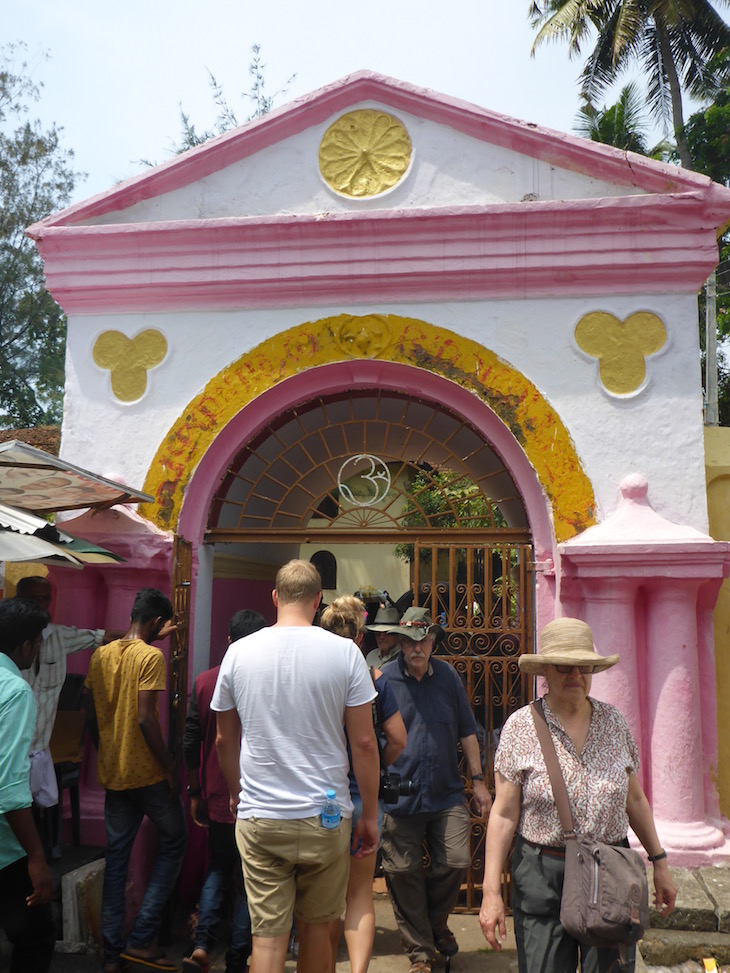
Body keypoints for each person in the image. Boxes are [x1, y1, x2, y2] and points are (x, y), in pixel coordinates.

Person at [479, 616, 677, 973]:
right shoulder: (520, 728)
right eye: (564, 666)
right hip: (543, 873)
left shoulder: (614, 723)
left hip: (611, 870)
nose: (575, 675)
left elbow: (634, 800)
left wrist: (659, 861)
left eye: (583, 666)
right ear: (545, 672)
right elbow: (504, 814)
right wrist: (491, 892)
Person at [212, 560, 381, 973]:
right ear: (317, 599)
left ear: (275, 597)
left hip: (261, 815)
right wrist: (370, 814)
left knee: (267, 940)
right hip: (324, 818)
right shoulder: (345, 653)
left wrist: (236, 791)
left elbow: (223, 738)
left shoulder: (239, 652)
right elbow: (363, 741)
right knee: (319, 931)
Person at [380, 607, 492, 973]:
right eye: (411, 640)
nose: (418, 647)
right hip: (399, 793)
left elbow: (466, 730)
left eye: (425, 640)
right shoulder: (383, 682)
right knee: (400, 871)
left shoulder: (447, 677)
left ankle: (433, 923)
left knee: (457, 859)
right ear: (399, 641)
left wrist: (478, 782)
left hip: (445, 791)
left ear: (433, 641)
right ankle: (421, 954)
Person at [85, 587, 186, 973]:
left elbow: (92, 716)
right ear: (158, 623)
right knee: (175, 842)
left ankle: (112, 956)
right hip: (147, 775)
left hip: (113, 775)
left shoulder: (101, 654)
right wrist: (169, 768)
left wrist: (106, 748)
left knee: (116, 861)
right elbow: (145, 718)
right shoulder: (151, 657)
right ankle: (142, 937)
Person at [318, 595, 407, 973]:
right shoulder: (375, 682)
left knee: (321, 897)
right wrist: (372, 766)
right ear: (360, 638)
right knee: (359, 894)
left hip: (320, 796)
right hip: (363, 795)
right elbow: (397, 739)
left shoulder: (312, 678)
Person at [182, 608, 267, 973]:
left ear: (229, 641)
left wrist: (195, 790)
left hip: (217, 794)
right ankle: (238, 956)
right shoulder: (267, 682)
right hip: (258, 795)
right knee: (253, 880)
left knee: (219, 867)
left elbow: (190, 740)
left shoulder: (205, 681)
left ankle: (202, 947)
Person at [17, 575, 121, 818]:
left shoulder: (58, 636)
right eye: (34, 599)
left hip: (40, 749)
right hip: (10, 751)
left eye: (46, 599)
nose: (41, 605)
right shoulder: (7, 640)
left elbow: (102, 637)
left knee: (30, 816)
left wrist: (146, 632)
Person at [0, 597, 56, 973]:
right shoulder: (16, 690)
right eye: (38, 643)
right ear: (26, 646)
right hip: (6, 848)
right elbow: (8, 786)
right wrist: (37, 856)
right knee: (36, 937)